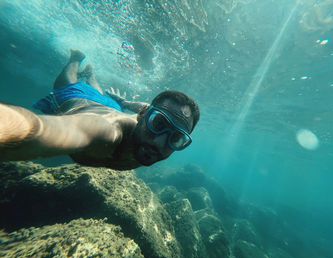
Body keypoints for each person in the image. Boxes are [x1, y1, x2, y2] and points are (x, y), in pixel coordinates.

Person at [0, 49, 200, 170]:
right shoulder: (108, 131)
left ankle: (91, 74)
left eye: (175, 138)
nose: (159, 142)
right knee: (65, 81)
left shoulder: (149, 131)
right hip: (77, 100)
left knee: (102, 98)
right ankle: (76, 58)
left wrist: (123, 101)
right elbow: (40, 130)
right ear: (142, 117)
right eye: (158, 123)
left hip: (110, 106)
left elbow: (146, 107)